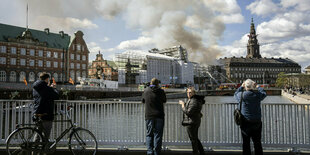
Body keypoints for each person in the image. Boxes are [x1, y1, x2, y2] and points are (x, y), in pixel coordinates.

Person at [234, 79, 267, 155]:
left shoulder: (240, 95)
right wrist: (258, 86)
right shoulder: (257, 95)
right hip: (256, 122)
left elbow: (235, 93)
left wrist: (241, 87)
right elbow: (264, 93)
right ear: (253, 86)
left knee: (246, 143)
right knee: (257, 143)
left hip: (245, 122)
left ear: (245, 86)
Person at [142, 78, 167, 155]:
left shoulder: (146, 91)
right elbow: (164, 100)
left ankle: (150, 152)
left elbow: (143, 101)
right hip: (159, 116)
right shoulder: (161, 91)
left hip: (149, 116)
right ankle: (157, 152)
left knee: (149, 134)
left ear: (150, 83)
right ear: (157, 84)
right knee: (158, 135)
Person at [33, 72, 59, 141]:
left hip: (37, 112)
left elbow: (43, 95)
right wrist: (54, 88)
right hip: (46, 113)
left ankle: (34, 150)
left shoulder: (36, 87)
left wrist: (49, 88)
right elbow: (56, 96)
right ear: (47, 79)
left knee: (38, 134)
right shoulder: (47, 88)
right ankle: (44, 150)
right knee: (46, 135)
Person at [179, 87, 205, 155]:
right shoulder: (194, 100)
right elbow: (194, 110)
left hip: (191, 122)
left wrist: (182, 105)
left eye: (190, 92)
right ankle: (201, 152)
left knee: (193, 140)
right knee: (195, 138)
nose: (188, 94)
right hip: (194, 121)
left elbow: (188, 112)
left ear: (194, 93)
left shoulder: (194, 100)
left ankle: (196, 152)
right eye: (187, 92)